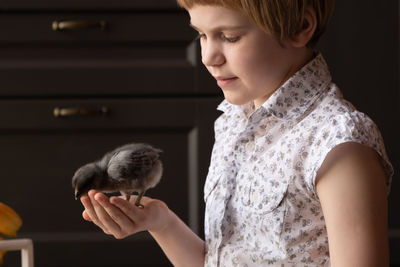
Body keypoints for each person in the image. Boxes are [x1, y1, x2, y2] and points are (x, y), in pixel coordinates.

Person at [80, 0, 394, 266]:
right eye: (201, 35)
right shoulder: (232, 120)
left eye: (229, 37)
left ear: (300, 27)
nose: (207, 56)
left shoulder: (339, 145)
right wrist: (161, 223)